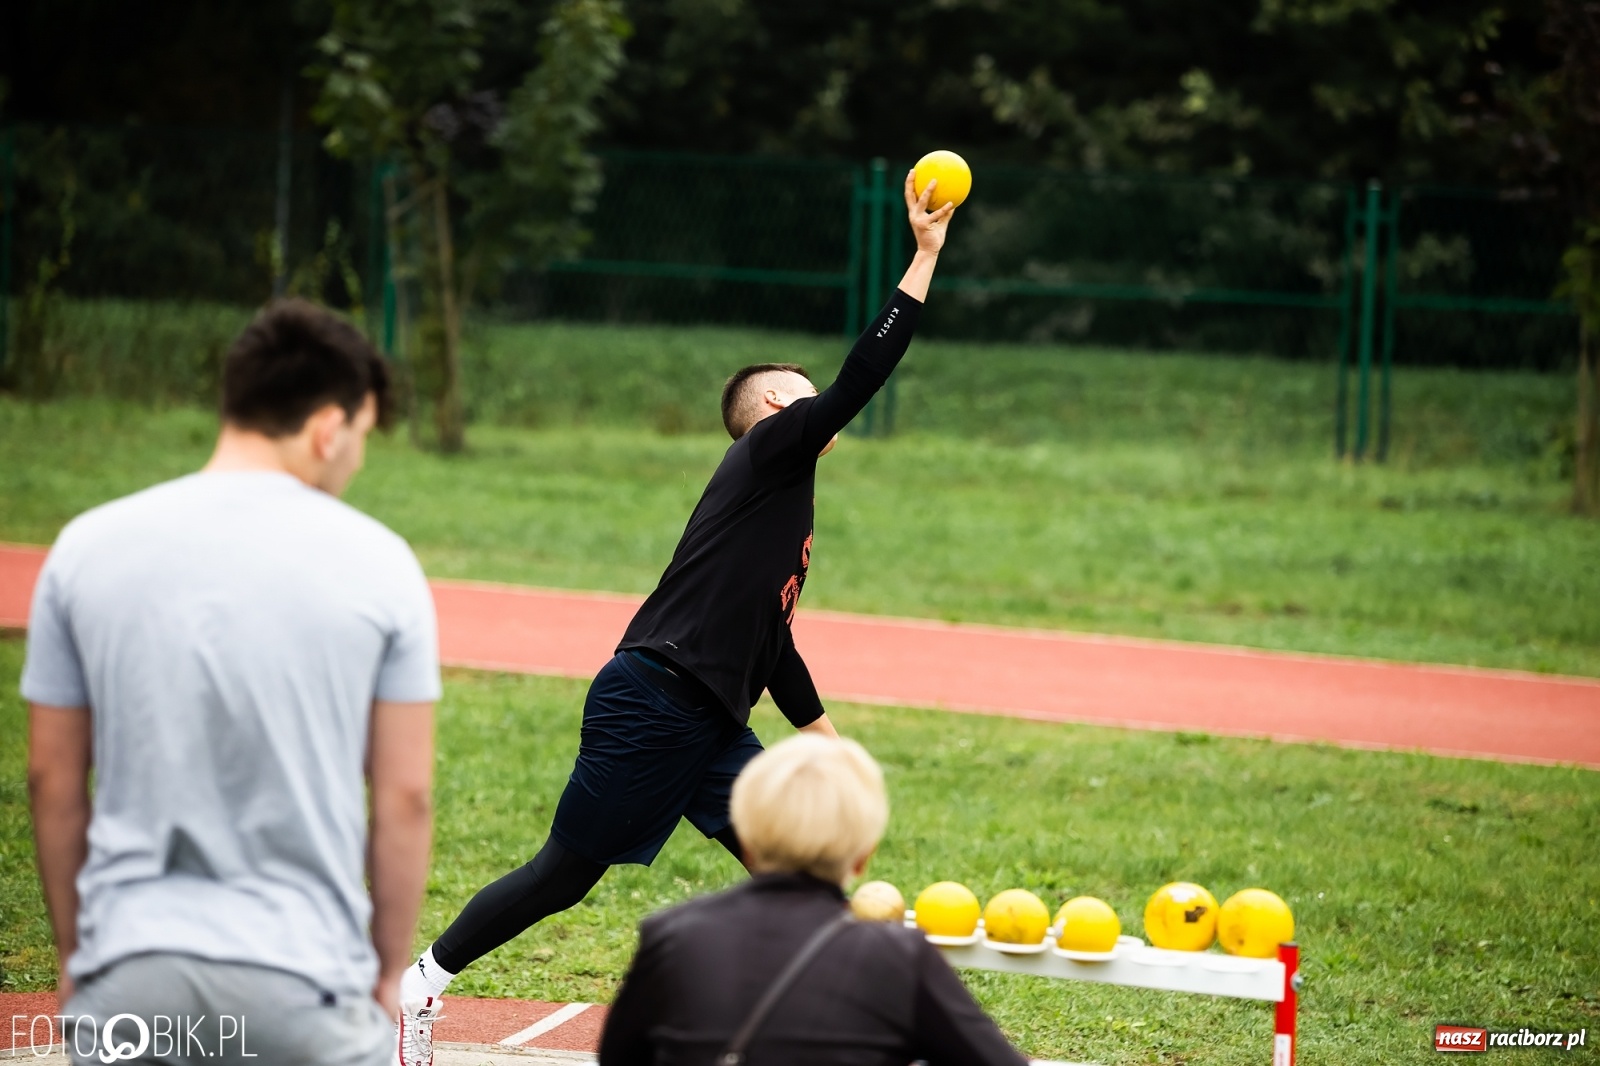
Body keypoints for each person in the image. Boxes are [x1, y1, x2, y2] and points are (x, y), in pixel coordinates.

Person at [396, 172, 956, 1064]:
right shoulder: (768, 451)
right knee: (564, 876)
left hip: (707, 720)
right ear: (774, 410)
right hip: (654, 701)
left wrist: (826, 738)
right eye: (802, 392)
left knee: (799, 870)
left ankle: (860, 1030)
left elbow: (770, 640)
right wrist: (923, 258)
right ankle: (422, 982)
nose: (819, 403)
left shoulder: (784, 501)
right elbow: (862, 377)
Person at [23, 300, 439, 1066]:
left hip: (130, 975)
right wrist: (385, 973)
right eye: (363, 438)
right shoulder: (381, 565)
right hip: (306, 979)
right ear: (326, 428)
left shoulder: (85, 549)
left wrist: (79, 954)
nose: (356, 461)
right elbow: (404, 797)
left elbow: (52, 779)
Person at [597, 734, 1029, 1065]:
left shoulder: (672, 935)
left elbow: (619, 1057)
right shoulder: (899, 957)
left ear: (746, 840)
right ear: (863, 857)